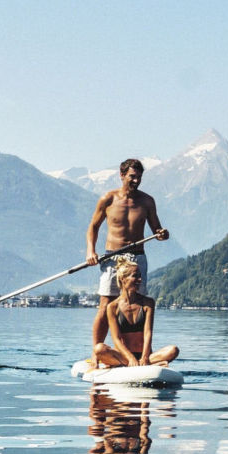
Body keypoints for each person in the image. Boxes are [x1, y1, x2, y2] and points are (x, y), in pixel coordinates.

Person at [86, 158, 168, 326]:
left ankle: (135, 350)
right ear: (122, 175)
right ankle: (97, 350)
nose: (136, 181)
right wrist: (90, 251)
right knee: (105, 305)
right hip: (113, 257)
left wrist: (162, 234)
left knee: (136, 306)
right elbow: (93, 227)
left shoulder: (147, 201)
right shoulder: (108, 199)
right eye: (132, 176)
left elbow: (157, 231)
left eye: (139, 177)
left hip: (137, 258)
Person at [88, 254, 180, 370]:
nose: (140, 280)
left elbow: (148, 333)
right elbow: (116, 338)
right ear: (123, 279)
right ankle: (143, 363)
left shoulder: (148, 303)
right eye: (135, 276)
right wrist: (130, 358)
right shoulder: (112, 307)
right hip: (124, 356)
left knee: (173, 350)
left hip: (145, 357)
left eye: (140, 276)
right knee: (99, 349)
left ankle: (143, 363)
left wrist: (145, 357)